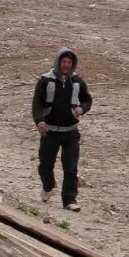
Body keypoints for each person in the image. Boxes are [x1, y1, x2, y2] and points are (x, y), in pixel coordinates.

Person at [31, 47, 92, 212]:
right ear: (58, 62)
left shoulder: (78, 82)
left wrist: (81, 109)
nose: (66, 65)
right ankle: (48, 186)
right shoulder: (45, 80)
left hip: (71, 132)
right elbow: (37, 103)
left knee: (71, 167)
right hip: (50, 131)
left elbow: (87, 100)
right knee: (45, 165)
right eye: (64, 62)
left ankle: (70, 200)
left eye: (69, 62)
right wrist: (40, 121)